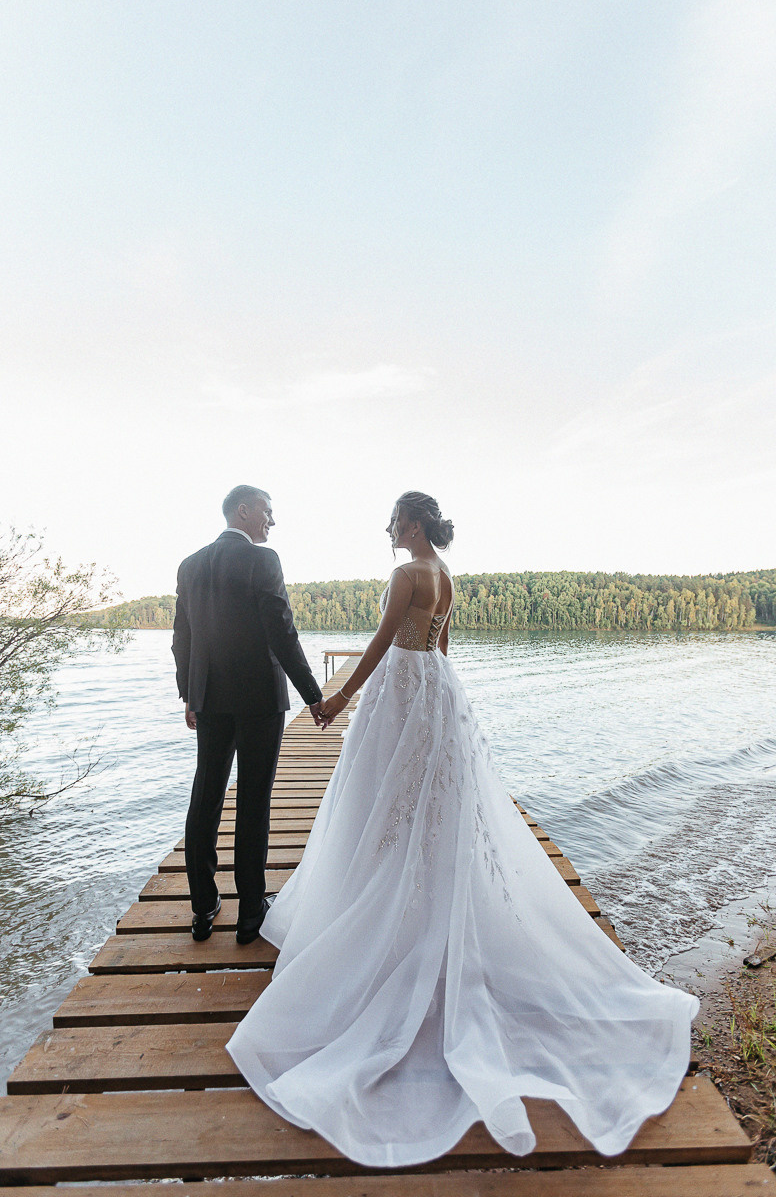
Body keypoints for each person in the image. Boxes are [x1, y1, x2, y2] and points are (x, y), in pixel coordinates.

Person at [226, 491, 699, 1167]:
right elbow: (441, 645)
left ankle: (385, 910)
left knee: (384, 807)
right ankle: (428, 899)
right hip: (438, 693)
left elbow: (383, 644)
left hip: (400, 692)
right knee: (431, 808)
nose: (387, 529)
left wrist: (337, 699)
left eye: (393, 520)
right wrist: (430, 696)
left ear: (412, 524)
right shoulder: (445, 574)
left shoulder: (404, 574)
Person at [172, 485, 325, 945]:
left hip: (210, 699)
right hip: (259, 699)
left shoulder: (190, 564)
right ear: (244, 510)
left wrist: (189, 695)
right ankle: (250, 913)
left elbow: (183, 638)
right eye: (267, 512)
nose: (271, 522)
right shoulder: (264, 561)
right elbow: (281, 630)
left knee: (206, 794)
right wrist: (312, 694)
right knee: (253, 801)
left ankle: (202, 909)